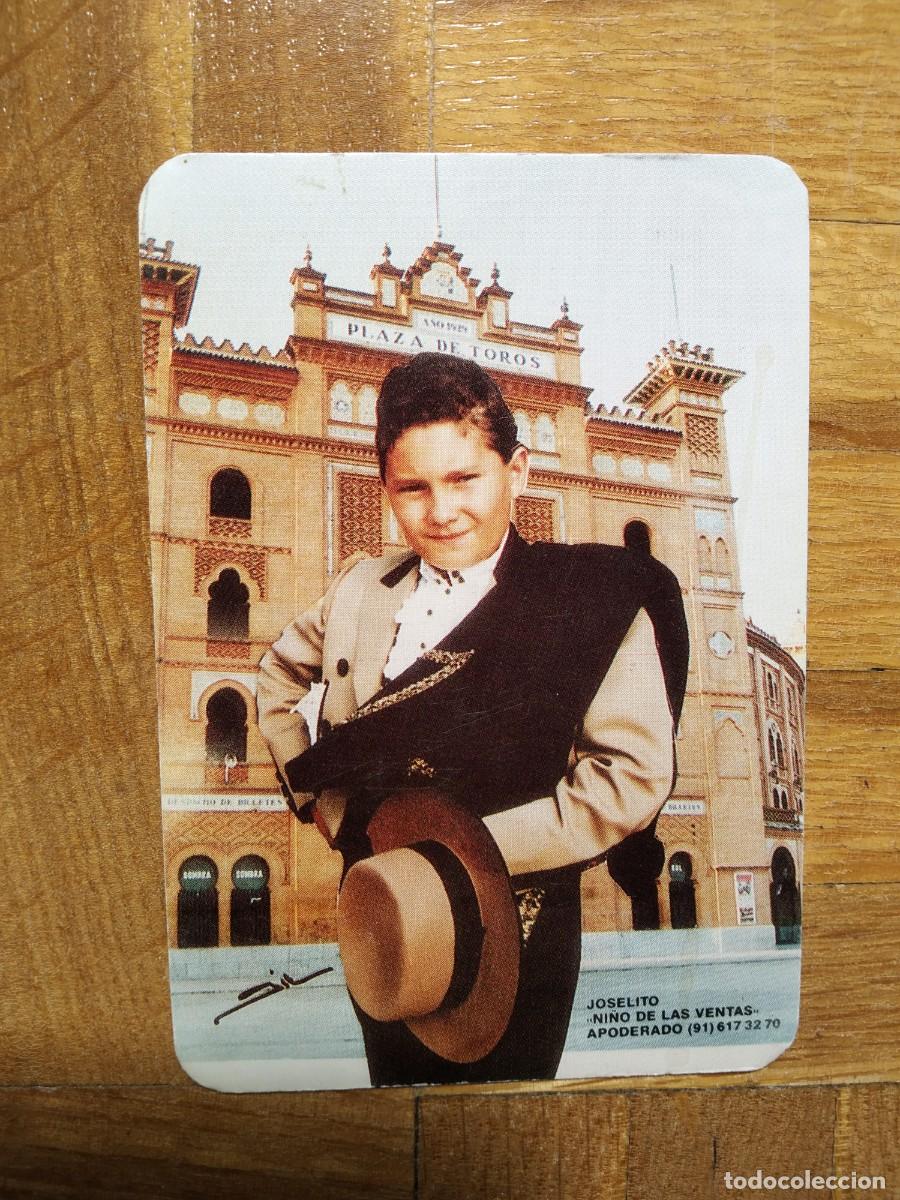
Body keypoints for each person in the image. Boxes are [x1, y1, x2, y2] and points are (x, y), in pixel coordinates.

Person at [256, 352, 688, 1085]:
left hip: (515, 921)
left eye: (464, 479)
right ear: (386, 490)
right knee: (396, 1095)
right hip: (385, 912)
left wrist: (466, 854)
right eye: (413, 488)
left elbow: (631, 777)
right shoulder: (362, 587)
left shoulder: (591, 598)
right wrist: (322, 801)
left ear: (516, 472)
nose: (442, 511)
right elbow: (277, 676)